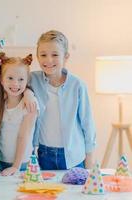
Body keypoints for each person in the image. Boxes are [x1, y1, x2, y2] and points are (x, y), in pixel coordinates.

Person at [30, 30, 96, 170]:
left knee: (73, 191)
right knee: (46, 191)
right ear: (37, 57)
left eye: (55, 55)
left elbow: (87, 123)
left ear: (66, 57)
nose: (48, 60)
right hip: (43, 154)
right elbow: (13, 83)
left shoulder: (77, 85)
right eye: (43, 55)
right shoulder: (32, 80)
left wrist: (89, 159)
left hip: (73, 156)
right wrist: (27, 94)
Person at [0, 52, 38, 176]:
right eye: (10, 78)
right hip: (0, 160)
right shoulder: (0, 101)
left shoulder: (29, 104)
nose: (15, 84)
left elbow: (24, 136)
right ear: (1, 80)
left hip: (22, 163)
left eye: (21, 79)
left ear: (27, 82)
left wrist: (16, 166)